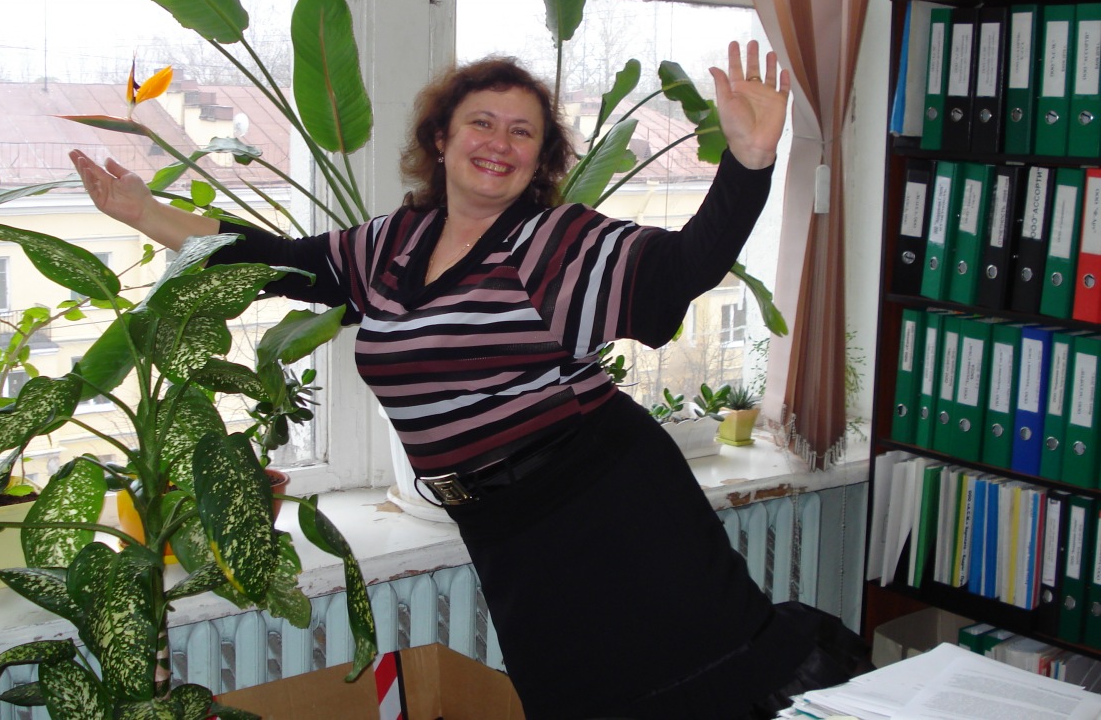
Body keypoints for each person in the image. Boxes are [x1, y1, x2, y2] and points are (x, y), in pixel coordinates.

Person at [69, 41, 869, 719]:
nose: (500, 142)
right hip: (505, 532)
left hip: (613, 511)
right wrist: (146, 215)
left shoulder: (549, 243)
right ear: (442, 138)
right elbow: (279, 263)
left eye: (523, 132)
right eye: (482, 122)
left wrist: (749, 162)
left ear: (541, 158)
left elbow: (679, 269)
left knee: (700, 685)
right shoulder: (392, 245)